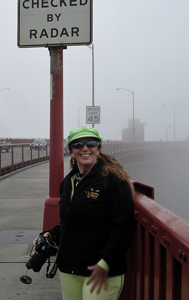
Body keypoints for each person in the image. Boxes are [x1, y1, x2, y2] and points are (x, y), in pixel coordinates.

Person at [35, 126, 135, 300]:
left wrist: (105, 264)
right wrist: (52, 234)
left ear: (98, 148)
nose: (85, 148)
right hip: (69, 269)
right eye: (78, 145)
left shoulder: (113, 181)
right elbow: (69, 222)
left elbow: (124, 228)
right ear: (71, 151)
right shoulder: (68, 182)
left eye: (91, 143)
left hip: (102, 270)